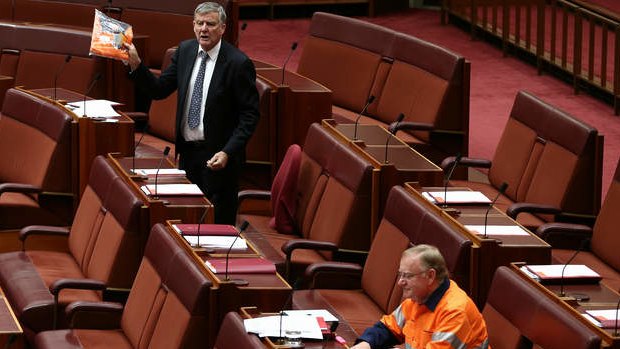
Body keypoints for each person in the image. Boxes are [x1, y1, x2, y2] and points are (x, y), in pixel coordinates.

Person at [125, 2, 259, 225]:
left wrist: (228, 152)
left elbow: (250, 116)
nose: (204, 29)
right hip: (188, 155)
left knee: (217, 229)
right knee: (189, 224)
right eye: (199, 23)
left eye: (210, 24)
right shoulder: (185, 51)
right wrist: (137, 65)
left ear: (223, 28)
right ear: (193, 25)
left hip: (218, 160)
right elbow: (159, 90)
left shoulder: (238, 64)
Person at [352, 245, 490, 349]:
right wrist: (366, 344)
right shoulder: (418, 298)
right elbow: (388, 328)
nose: (400, 282)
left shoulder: (455, 312)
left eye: (408, 276)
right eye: (400, 274)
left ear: (430, 276)